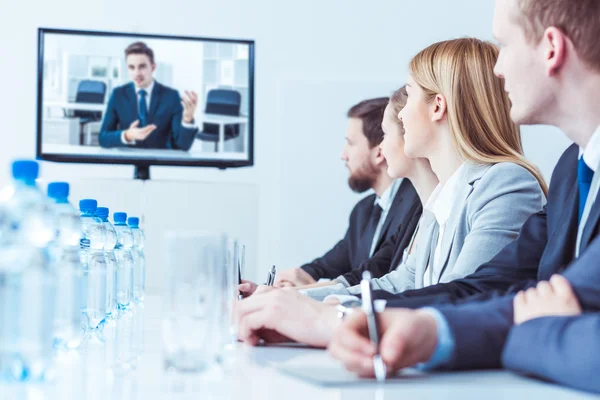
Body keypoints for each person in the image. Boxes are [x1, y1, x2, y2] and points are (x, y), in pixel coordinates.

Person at [328, 0, 600, 386]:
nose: (498, 67)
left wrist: (537, 331)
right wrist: (427, 329)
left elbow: (539, 304)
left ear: (551, 49)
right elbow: (503, 289)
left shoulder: (508, 184)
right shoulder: (570, 172)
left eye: (504, 45)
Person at [237, 37, 549, 346]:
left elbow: (463, 295)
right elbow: (402, 281)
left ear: (437, 106)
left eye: (409, 96)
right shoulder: (442, 195)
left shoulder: (506, 183)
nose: (400, 115)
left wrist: (327, 315)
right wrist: (304, 301)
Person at [239, 97, 422, 296]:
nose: (343, 155)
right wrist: (292, 280)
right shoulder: (364, 210)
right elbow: (331, 262)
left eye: (350, 144)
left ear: (379, 153)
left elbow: (378, 272)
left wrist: (300, 292)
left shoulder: (415, 201)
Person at [99, 41, 199, 150]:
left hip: (159, 162)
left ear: (153, 67)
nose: (137, 73)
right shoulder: (118, 94)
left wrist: (187, 120)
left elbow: (182, 146)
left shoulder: (171, 96)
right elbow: (103, 138)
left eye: (142, 67)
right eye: (131, 67)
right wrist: (127, 135)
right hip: (127, 160)